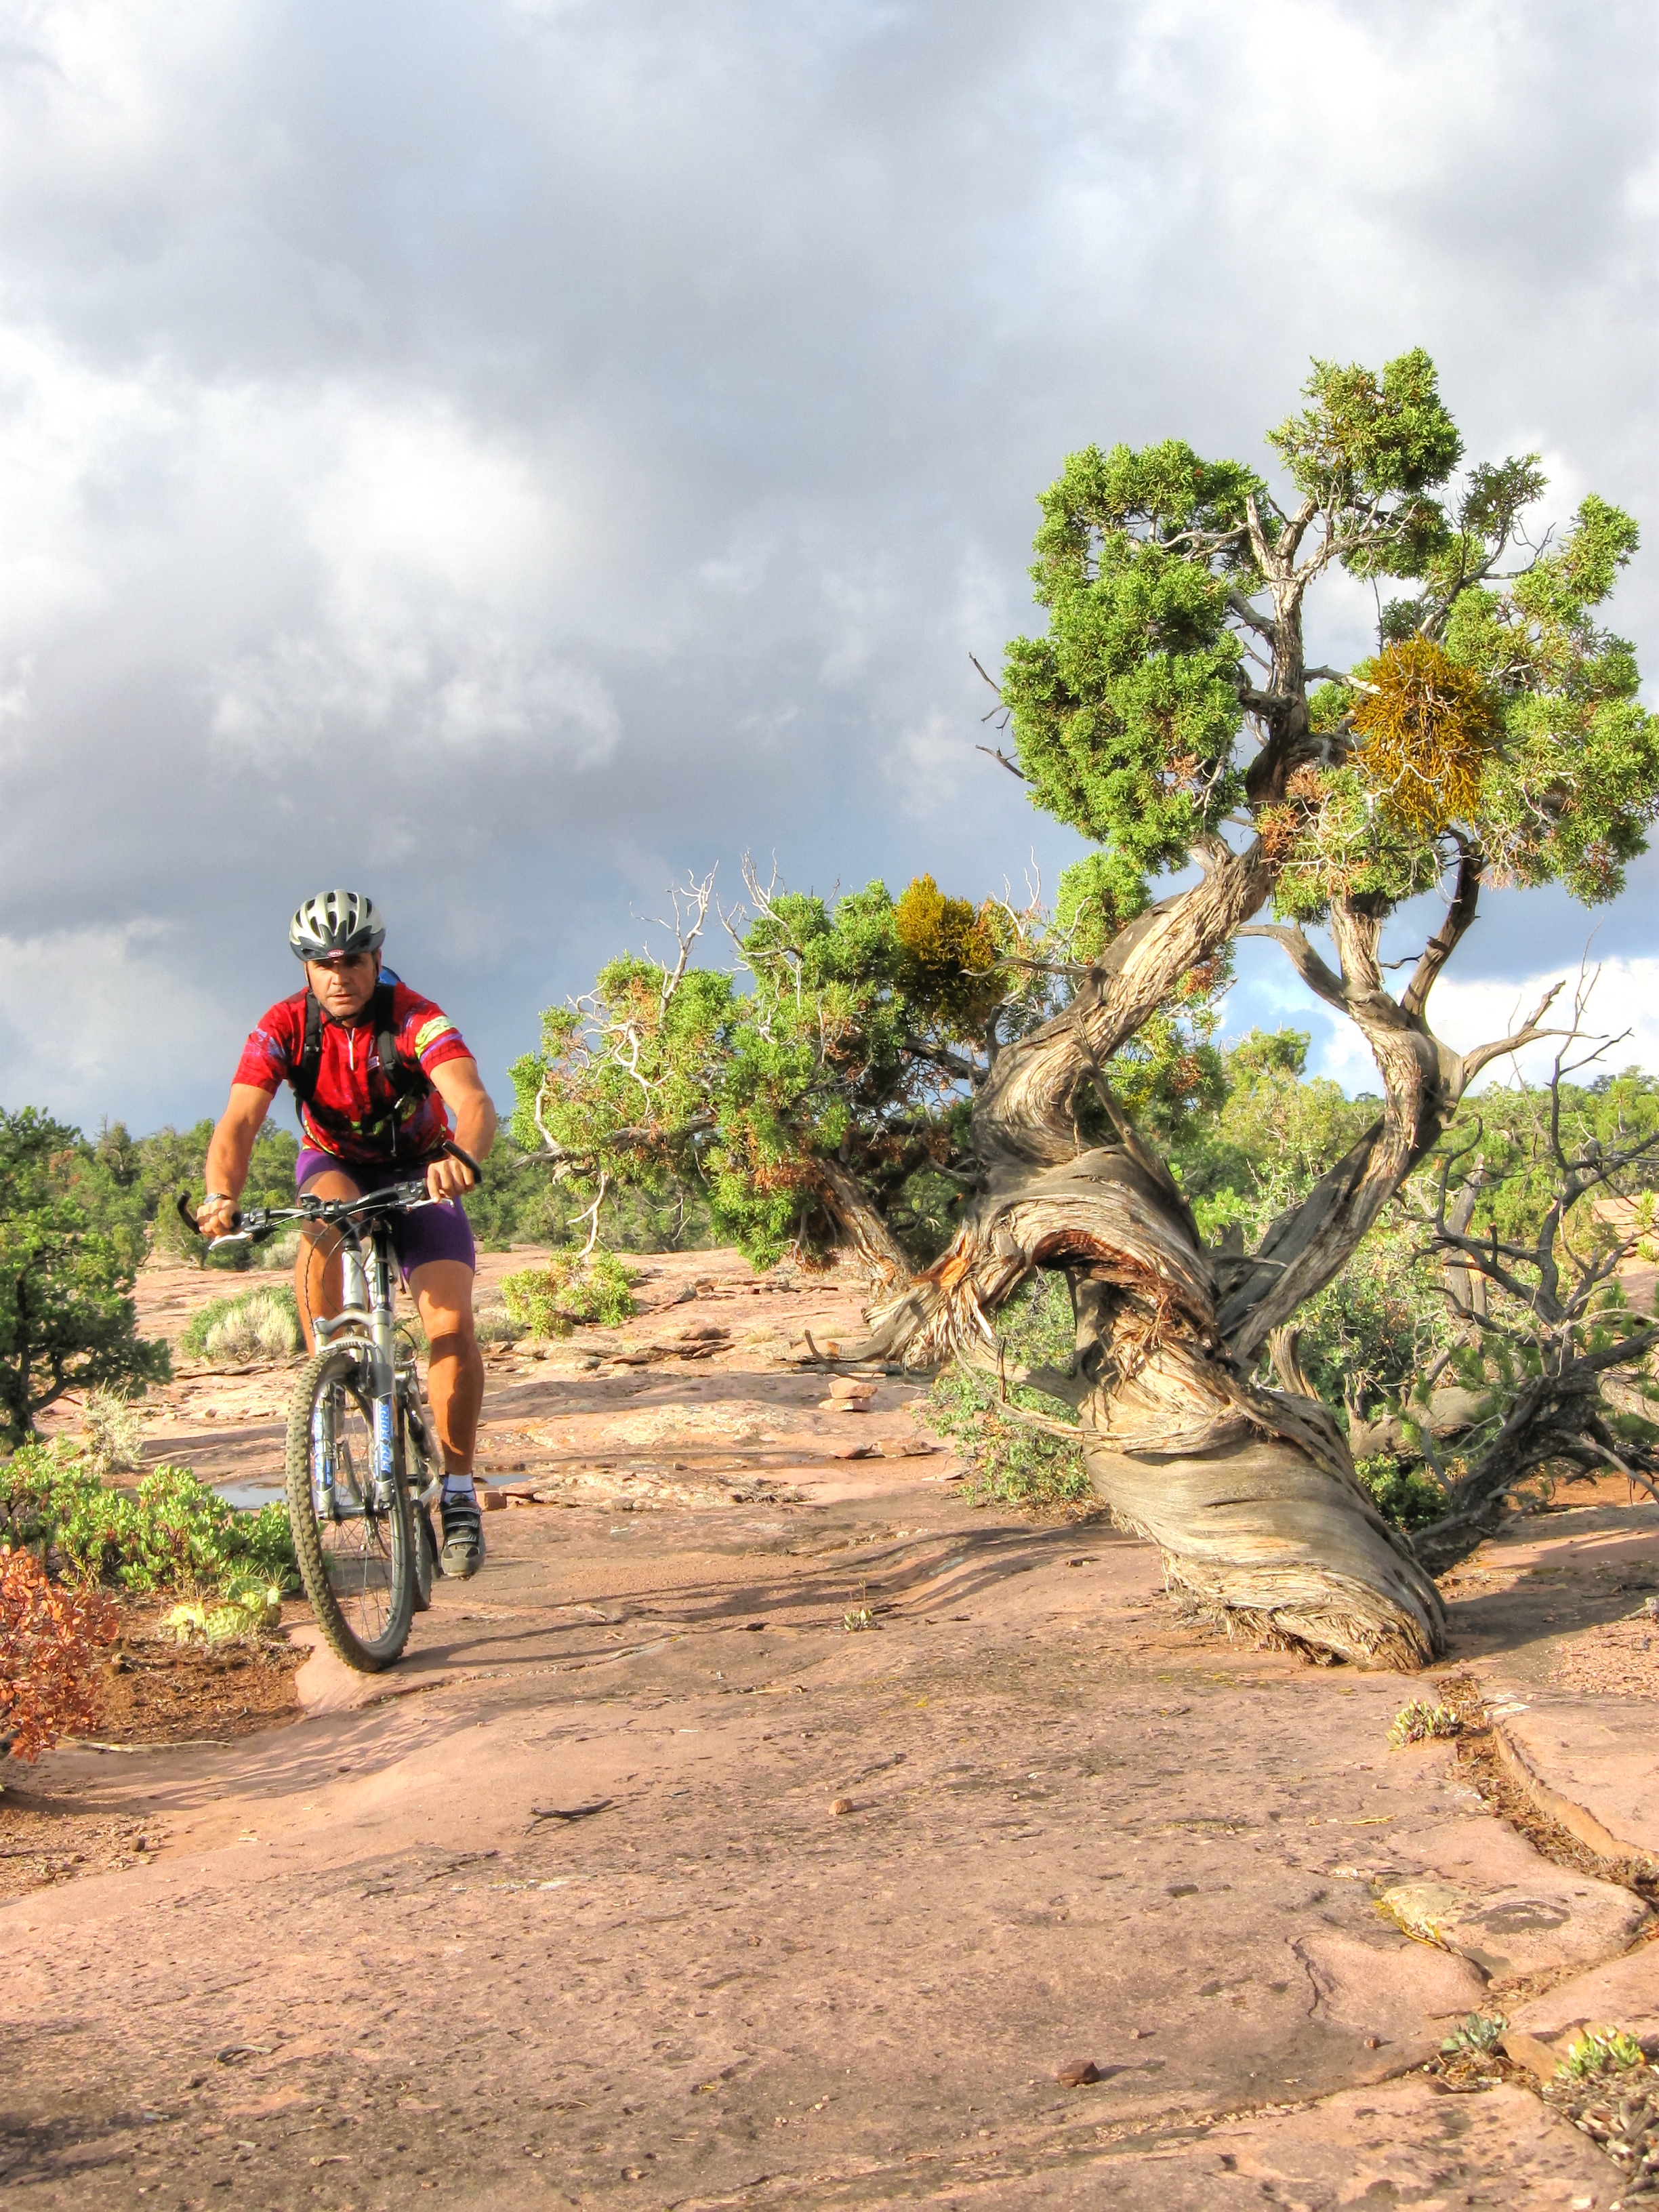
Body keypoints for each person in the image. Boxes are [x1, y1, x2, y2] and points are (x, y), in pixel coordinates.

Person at [199, 890, 498, 1578]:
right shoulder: (282, 1026)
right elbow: (240, 1120)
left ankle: (456, 1491)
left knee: (451, 1326)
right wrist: (221, 1194)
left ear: (377, 959)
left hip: (424, 1170)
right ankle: (325, 1384)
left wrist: (463, 1157)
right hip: (334, 1162)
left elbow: (473, 1100)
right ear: (306, 968)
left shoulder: (417, 1018)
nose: (340, 976)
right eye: (323, 963)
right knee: (323, 1219)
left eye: (354, 961)